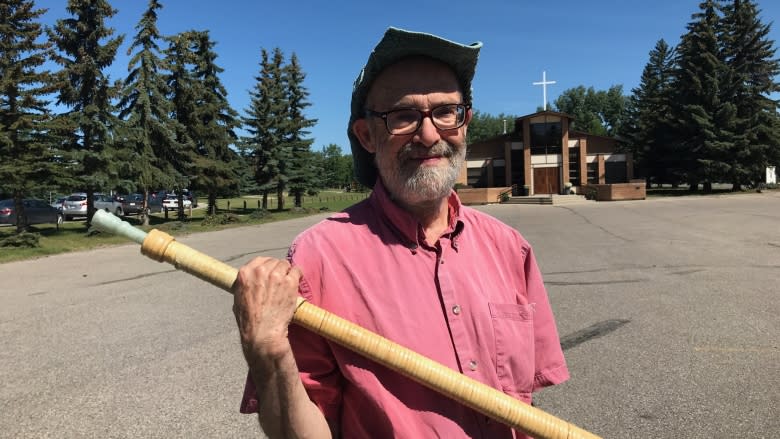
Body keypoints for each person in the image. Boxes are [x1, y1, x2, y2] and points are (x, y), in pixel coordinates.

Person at [232, 27, 569, 439]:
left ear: (465, 123)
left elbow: (525, 405)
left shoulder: (510, 248)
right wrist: (268, 352)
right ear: (366, 135)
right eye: (403, 116)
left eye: (446, 111)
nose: (429, 135)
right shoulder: (317, 260)